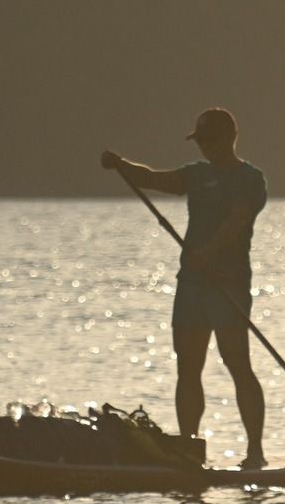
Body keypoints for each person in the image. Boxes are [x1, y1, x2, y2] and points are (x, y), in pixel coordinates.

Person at [99, 107, 269, 469]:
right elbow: (152, 179)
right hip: (192, 286)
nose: (204, 147)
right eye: (200, 141)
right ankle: (188, 452)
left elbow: (238, 220)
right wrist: (121, 164)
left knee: (238, 364)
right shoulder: (195, 175)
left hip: (229, 285)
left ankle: (255, 452)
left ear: (229, 139)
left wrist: (209, 253)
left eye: (210, 140)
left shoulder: (251, 179)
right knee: (188, 368)